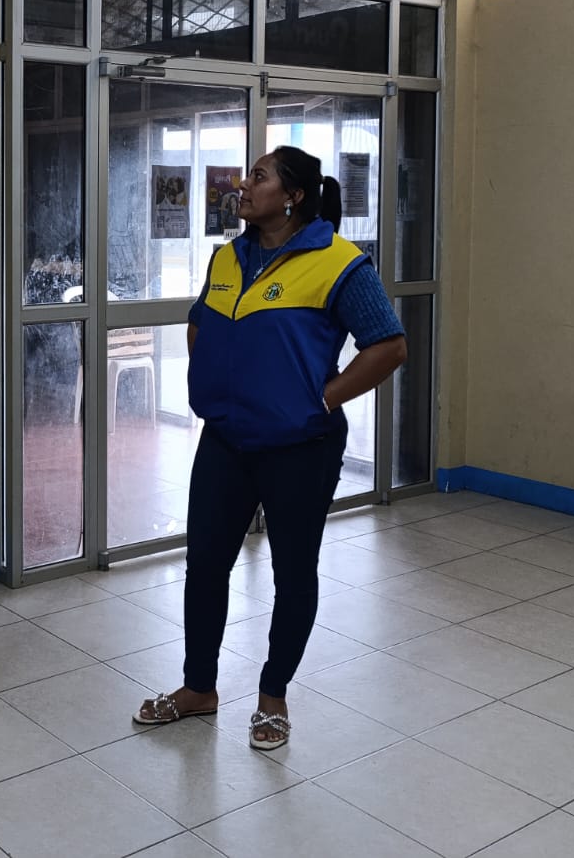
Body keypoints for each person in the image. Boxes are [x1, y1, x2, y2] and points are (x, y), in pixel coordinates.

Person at [133, 146, 406, 750]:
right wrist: (215, 379)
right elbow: (201, 320)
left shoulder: (339, 262)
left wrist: (321, 399)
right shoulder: (227, 257)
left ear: (293, 196)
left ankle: (273, 697)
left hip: (300, 446)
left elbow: (388, 346)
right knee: (206, 564)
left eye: (258, 176)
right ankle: (198, 688)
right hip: (226, 440)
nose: (243, 184)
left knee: (292, 572)